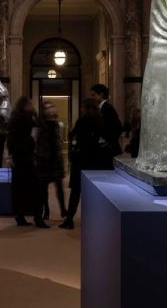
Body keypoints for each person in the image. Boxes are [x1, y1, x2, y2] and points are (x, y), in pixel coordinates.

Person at [60, 98, 110, 229]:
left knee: (76, 191)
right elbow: (104, 139)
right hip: (94, 161)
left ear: (86, 108)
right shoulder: (100, 121)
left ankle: (69, 220)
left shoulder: (82, 121)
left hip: (81, 160)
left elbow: (73, 135)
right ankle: (93, 220)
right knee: (91, 193)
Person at [7, 96, 48, 228]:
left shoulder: (17, 118)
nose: (32, 106)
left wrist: (11, 155)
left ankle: (20, 216)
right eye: (30, 104)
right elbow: (39, 127)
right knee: (34, 188)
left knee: (20, 187)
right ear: (24, 105)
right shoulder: (24, 118)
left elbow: (11, 139)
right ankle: (37, 217)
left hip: (20, 156)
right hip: (24, 156)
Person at [36, 101, 67, 220]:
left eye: (52, 107)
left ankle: (63, 209)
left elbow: (59, 141)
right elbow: (36, 141)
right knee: (43, 188)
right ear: (43, 111)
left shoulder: (58, 124)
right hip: (44, 159)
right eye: (47, 108)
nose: (50, 110)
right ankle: (46, 210)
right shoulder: (40, 125)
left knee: (59, 186)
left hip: (55, 158)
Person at [90, 83, 124, 167]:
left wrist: (109, 142)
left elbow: (117, 127)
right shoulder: (101, 108)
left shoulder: (107, 108)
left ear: (101, 94)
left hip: (107, 149)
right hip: (103, 147)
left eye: (93, 95)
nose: (92, 98)